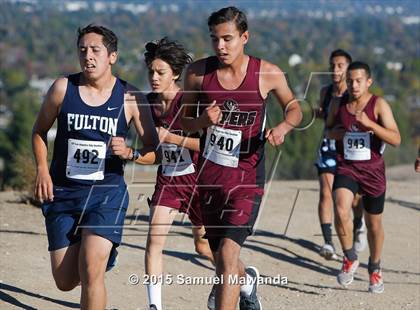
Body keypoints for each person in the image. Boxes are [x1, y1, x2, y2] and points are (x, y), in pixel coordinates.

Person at [180, 7, 302, 310]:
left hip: (247, 180)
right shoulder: (197, 74)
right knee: (222, 258)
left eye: (228, 39)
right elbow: (183, 123)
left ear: (244, 37)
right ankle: (247, 281)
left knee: (227, 258)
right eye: (214, 40)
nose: (220, 47)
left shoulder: (267, 73)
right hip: (209, 180)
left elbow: (295, 108)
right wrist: (202, 122)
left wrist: (284, 127)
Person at [32, 24, 160, 309]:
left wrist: (131, 153)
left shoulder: (130, 97)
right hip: (64, 193)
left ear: (112, 56)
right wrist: (42, 169)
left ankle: (98, 252)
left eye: (95, 50)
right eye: (82, 50)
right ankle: (102, 254)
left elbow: (155, 152)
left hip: (106, 195)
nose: (87, 56)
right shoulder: (63, 88)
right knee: (65, 281)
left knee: (91, 270)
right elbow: (38, 132)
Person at [139, 38, 214, 310]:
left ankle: (243, 282)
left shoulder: (191, 103)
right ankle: (154, 306)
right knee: (153, 243)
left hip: (199, 182)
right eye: (151, 72)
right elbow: (153, 152)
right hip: (168, 182)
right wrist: (131, 154)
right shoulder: (148, 104)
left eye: (160, 72)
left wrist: (173, 137)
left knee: (205, 249)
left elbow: (209, 145)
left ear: (175, 74)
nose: (154, 78)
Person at [326, 61, 401, 293]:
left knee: (373, 224)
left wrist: (370, 125)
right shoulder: (338, 103)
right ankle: (349, 257)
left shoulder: (378, 105)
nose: (354, 85)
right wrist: (337, 133)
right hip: (347, 167)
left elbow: (396, 139)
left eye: (358, 80)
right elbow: (328, 130)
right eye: (350, 80)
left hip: (373, 172)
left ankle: (375, 269)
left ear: (369, 82)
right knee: (340, 208)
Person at [315, 50, 367, 260]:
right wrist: (318, 114)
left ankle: (357, 227)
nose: (335, 70)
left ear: (348, 69)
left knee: (354, 200)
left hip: (351, 149)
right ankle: (328, 242)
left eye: (340, 66)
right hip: (328, 145)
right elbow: (325, 118)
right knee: (326, 194)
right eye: (332, 66)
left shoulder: (354, 94)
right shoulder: (326, 92)